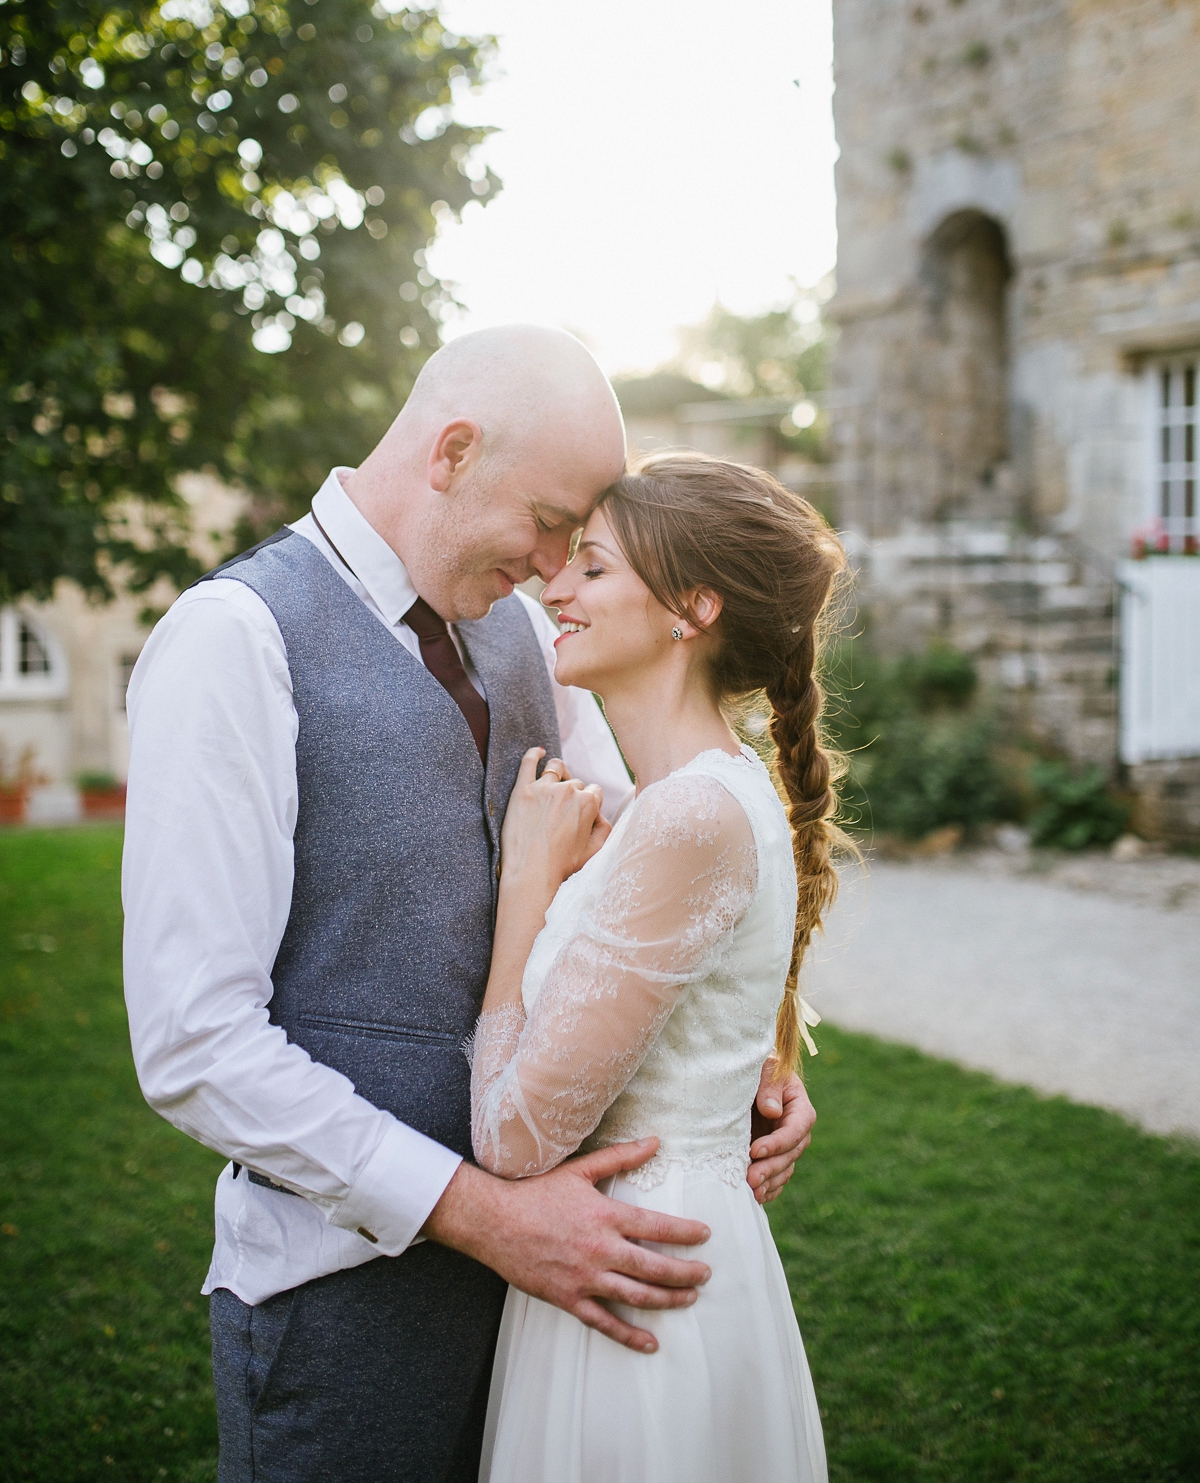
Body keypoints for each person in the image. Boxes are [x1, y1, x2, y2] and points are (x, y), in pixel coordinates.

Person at [121, 327, 818, 1483]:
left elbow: (651, 876)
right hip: (345, 1300)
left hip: (555, 1309)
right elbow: (194, 1043)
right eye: (551, 522)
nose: (555, 570)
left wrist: (753, 1067)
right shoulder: (232, 640)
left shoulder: (534, 644)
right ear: (452, 451)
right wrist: (480, 1213)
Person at [469, 450, 846, 1483]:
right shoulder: (684, 800)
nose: (554, 588)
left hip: (638, 1285)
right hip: (645, 1249)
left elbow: (510, 1138)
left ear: (691, 609)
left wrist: (523, 893)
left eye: (591, 567)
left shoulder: (688, 814)